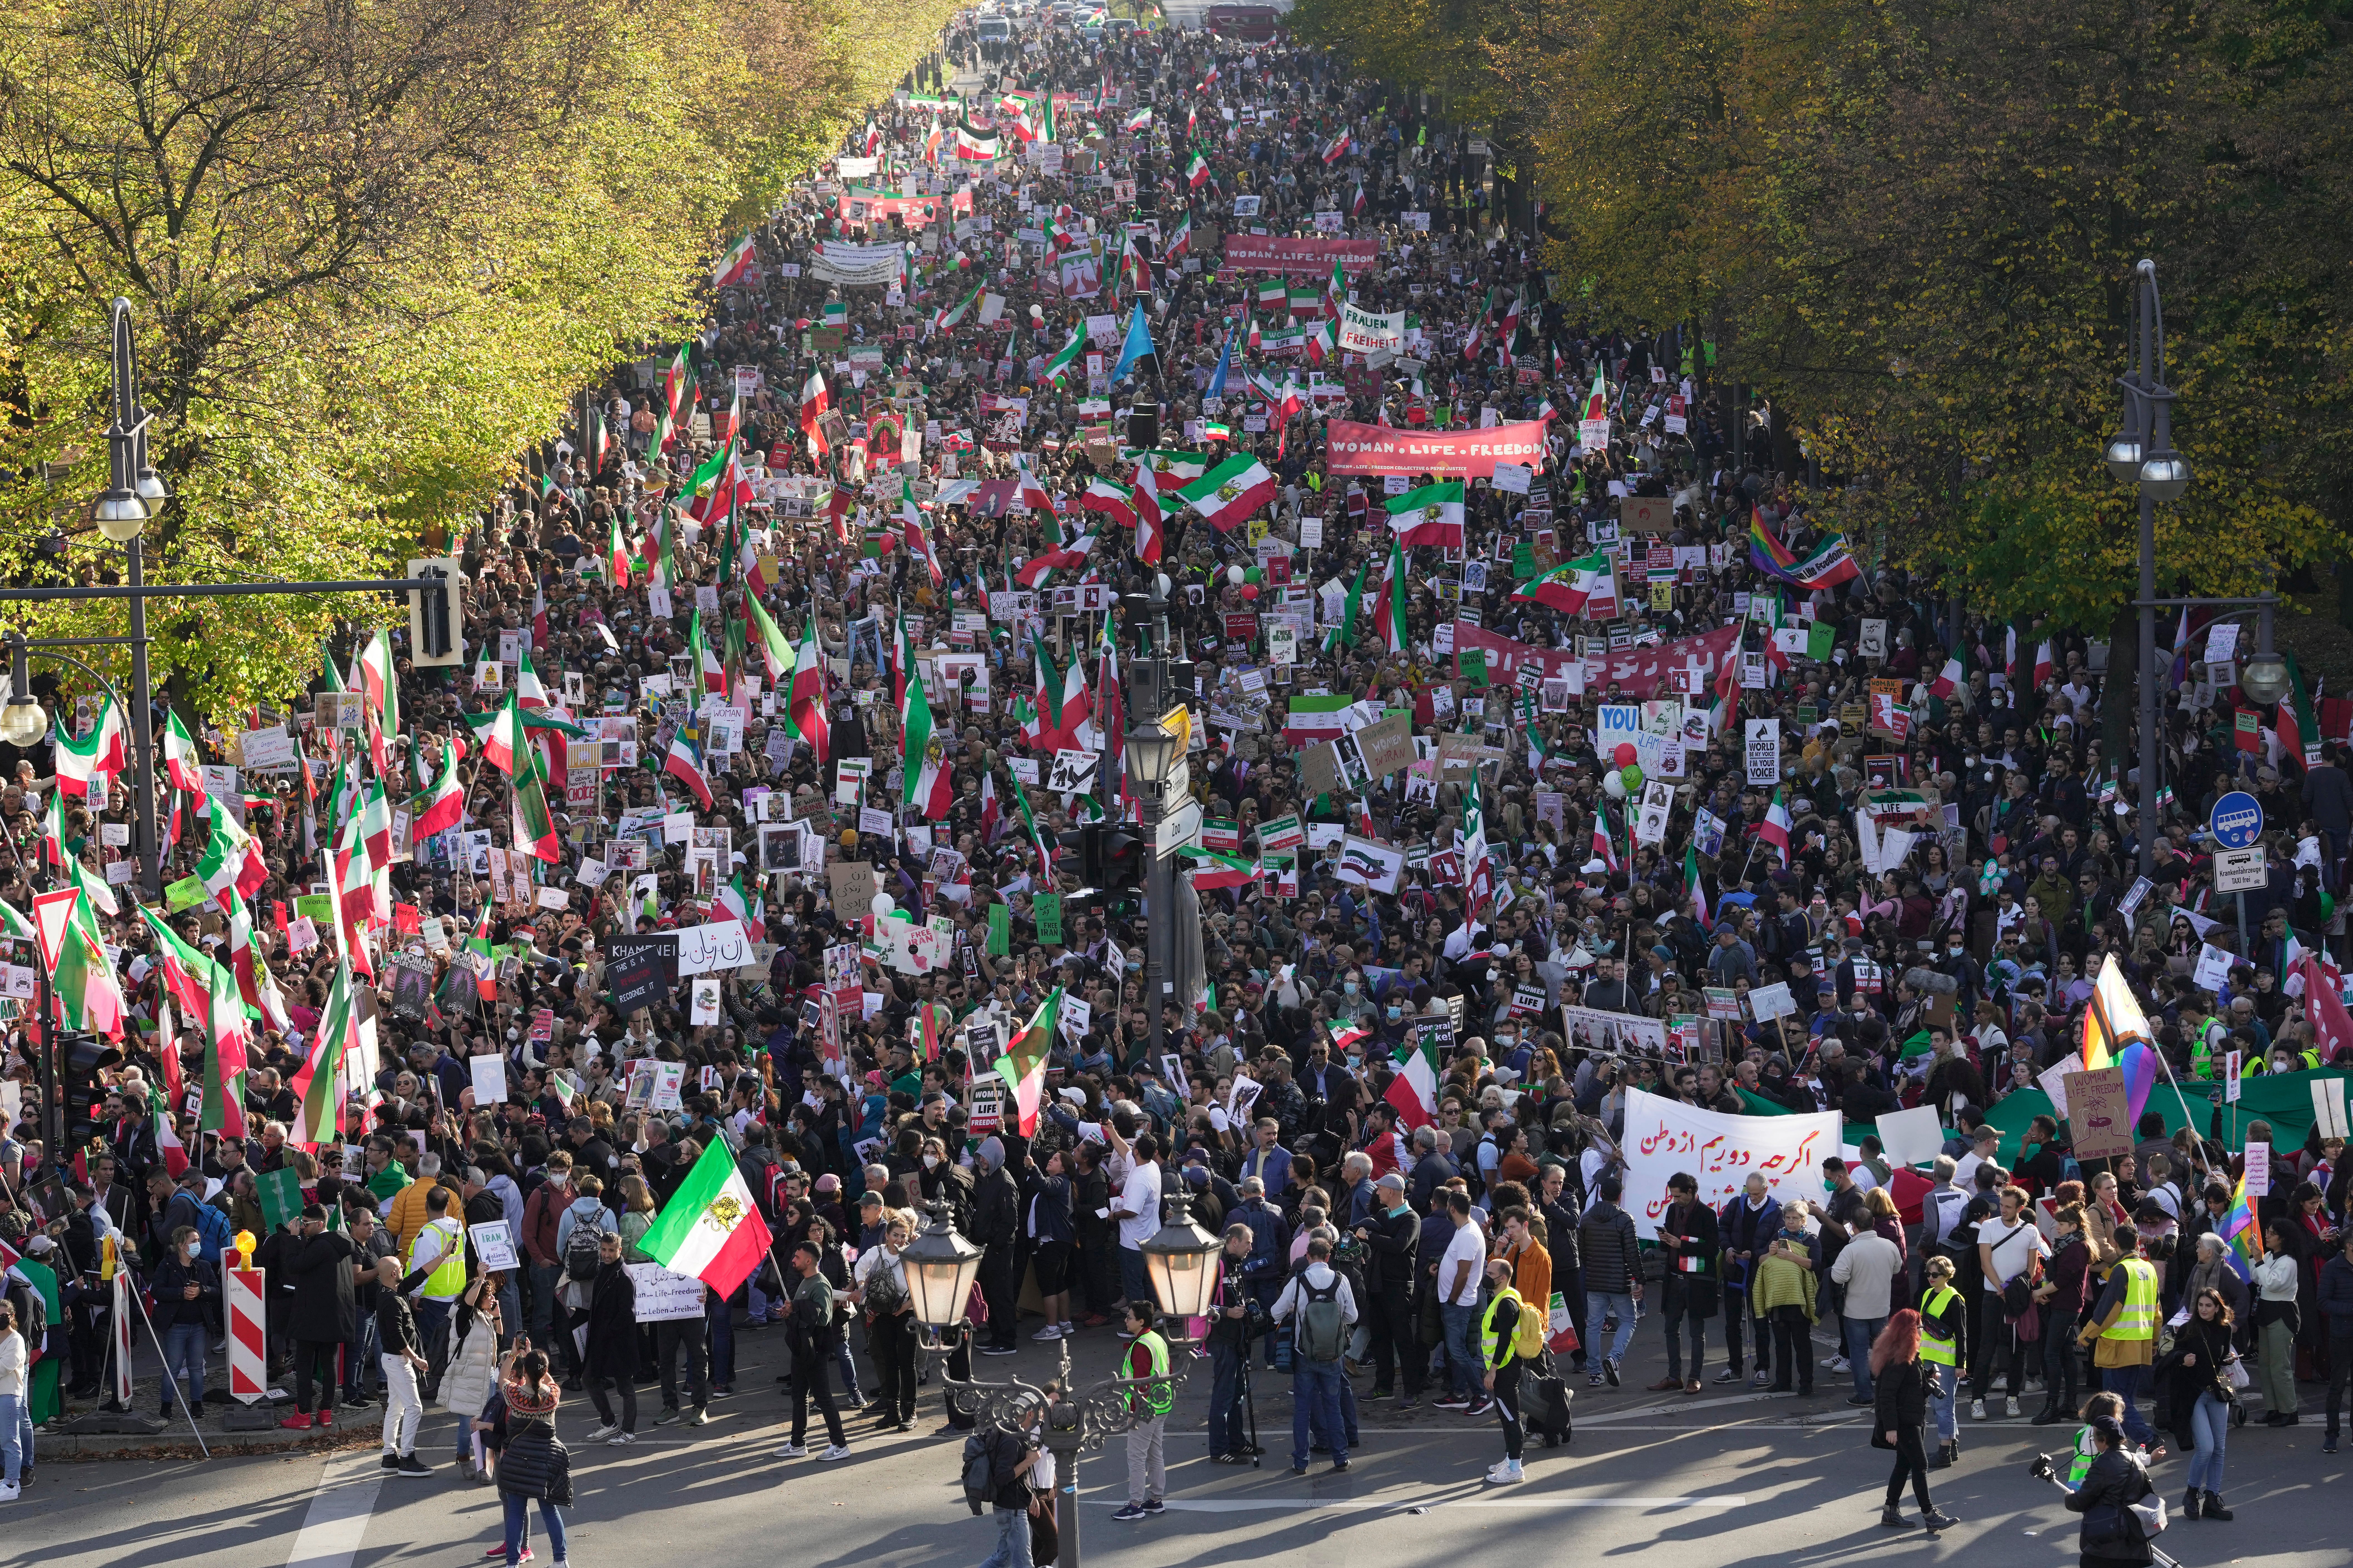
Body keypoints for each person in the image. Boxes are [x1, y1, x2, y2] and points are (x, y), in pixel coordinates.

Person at [1270, 1233, 1356, 1476]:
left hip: (1304, 1354)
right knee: (1333, 1406)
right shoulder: (1341, 1281)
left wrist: (1293, 1311)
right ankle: (1340, 1457)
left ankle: (1301, 1462)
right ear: (1329, 1257)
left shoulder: (1298, 1282)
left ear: (1308, 1256)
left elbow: (1276, 1312)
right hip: (1333, 1356)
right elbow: (1353, 1317)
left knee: (1303, 1408)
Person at [2076, 1224, 2162, 1451]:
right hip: (2140, 1344)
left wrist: (2086, 1336)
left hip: (2118, 1344)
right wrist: (2154, 1342)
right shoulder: (2148, 1269)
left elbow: (2107, 1310)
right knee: (2126, 1401)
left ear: (2115, 1243)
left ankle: (2148, 1439)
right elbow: (2157, 1311)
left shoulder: (2122, 1270)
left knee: (2115, 1402)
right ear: (2137, 1243)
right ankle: (2121, 1443)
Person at [1871, 1309, 1956, 1532]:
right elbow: (1886, 1395)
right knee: (1921, 1465)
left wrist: (1927, 1377)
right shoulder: (1899, 1360)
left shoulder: (1908, 1354)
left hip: (1912, 1418)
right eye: (1919, 1327)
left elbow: (1908, 1388)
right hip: (1904, 1422)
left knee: (1904, 1464)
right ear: (1910, 1331)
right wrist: (1890, 1427)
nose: (1922, 1331)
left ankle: (1890, 1511)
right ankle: (1930, 1515)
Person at [2157, 1285, 2237, 1521]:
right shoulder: (2187, 1330)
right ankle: (2192, 1493)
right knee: (2207, 1448)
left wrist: (2229, 1359)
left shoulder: (2225, 1330)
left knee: (2220, 1449)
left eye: (2208, 1305)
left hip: (2217, 1394)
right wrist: (2184, 1359)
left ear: (2217, 1308)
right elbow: (2172, 1356)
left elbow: (2219, 1358)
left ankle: (2212, 1498)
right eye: (2200, 1305)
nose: (2204, 1309)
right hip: (2194, 1395)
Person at [493, 1348, 571, 1568]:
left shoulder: (515, 1395)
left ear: (524, 1372)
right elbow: (550, 1381)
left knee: (516, 1512)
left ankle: (512, 1563)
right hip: (545, 1462)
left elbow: (502, 1378)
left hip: (518, 1461)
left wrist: (514, 1354)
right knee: (550, 1511)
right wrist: (534, 1361)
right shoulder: (553, 1395)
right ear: (545, 1370)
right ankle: (560, 1560)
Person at [776, 1239, 851, 1462]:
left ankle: (840, 1444)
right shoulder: (806, 1281)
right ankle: (798, 1443)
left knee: (824, 1397)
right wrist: (790, 1312)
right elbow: (804, 1314)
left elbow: (824, 1316)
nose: (793, 1260)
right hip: (802, 1348)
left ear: (809, 1260)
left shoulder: (820, 1284)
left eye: (797, 1257)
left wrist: (796, 1308)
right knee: (800, 1396)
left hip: (816, 1350)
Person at [1650, 1171, 1717, 1395]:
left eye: (1678, 1196)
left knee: (1697, 1332)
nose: (1675, 1200)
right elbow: (1672, 1241)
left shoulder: (1708, 1214)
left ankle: (1694, 1378)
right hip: (1674, 1277)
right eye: (1673, 1196)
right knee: (1671, 1329)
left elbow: (1712, 1249)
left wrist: (1682, 1245)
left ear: (1691, 1192)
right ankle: (1673, 1376)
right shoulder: (1672, 1209)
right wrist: (1666, 1239)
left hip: (1697, 1281)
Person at [2059, 1414, 2157, 1568]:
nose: (2094, 1442)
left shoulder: (2103, 1464)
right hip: (2135, 1541)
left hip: (2108, 1540)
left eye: (2094, 1438)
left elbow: (2080, 1502)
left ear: (2104, 1440)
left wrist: (2070, 1497)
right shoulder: (2136, 1461)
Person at [1833, 1202, 1904, 1407]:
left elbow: (1838, 1276)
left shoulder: (1851, 1250)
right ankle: (1889, 1391)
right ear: (1873, 1223)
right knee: (1884, 1352)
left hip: (1856, 1312)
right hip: (1881, 1308)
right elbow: (1897, 1268)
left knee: (1858, 1354)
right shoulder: (1889, 1246)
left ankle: (1865, 1395)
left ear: (1853, 1226)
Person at [853, 1211, 919, 1433]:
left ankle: (910, 1412)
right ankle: (893, 1411)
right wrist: (863, 1287)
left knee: (907, 1362)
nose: (900, 1240)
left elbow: (923, 1287)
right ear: (887, 1236)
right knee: (889, 1360)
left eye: (904, 1235)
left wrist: (904, 1307)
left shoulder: (912, 1256)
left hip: (907, 1314)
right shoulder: (876, 1253)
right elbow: (860, 1268)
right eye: (896, 1235)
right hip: (882, 1313)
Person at [1110, 1301, 1173, 1520]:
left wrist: (1133, 1411)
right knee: (1156, 1454)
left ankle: (1135, 1504)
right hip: (1161, 1405)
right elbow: (1169, 1370)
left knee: (1136, 1458)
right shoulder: (1157, 1340)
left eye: (1129, 1317)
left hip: (1144, 1410)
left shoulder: (1141, 1346)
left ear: (1141, 1321)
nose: (1126, 1320)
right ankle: (1156, 1500)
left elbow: (1141, 1382)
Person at [148, 1223, 217, 1420]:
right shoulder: (167, 1265)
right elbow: (157, 1291)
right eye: (194, 1241)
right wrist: (181, 1293)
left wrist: (201, 1291)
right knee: (173, 1366)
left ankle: (197, 1404)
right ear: (181, 1245)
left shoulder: (203, 1265)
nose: (198, 1244)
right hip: (176, 1326)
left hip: (198, 1326)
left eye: (198, 1241)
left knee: (196, 1367)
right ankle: (166, 1405)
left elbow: (216, 1290)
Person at [1579, 1174, 1642, 1388]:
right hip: (1619, 1282)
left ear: (1600, 1194)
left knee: (1594, 1326)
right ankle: (1614, 1357)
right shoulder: (1625, 1219)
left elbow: (1583, 1252)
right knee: (1629, 1320)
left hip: (1595, 1280)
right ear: (1620, 1196)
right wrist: (1640, 1279)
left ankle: (1594, 1372)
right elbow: (1633, 1253)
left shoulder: (1587, 1218)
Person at [373, 1255, 433, 1476]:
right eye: (400, 1267)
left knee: (396, 1407)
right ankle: (407, 1457)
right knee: (414, 1408)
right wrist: (416, 1358)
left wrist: (445, 1254)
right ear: (393, 1273)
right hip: (399, 1361)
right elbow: (397, 1337)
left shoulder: (395, 1290)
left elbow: (421, 1274)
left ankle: (389, 1456)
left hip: (393, 1360)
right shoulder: (391, 1300)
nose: (404, 1268)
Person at [1755, 1200, 1820, 1395]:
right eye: (1788, 1218)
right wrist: (1771, 1253)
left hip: (1799, 1298)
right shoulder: (1778, 1236)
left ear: (1804, 1220)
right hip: (1778, 1297)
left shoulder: (1811, 1240)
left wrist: (1793, 1257)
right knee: (1781, 1343)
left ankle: (1806, 1383)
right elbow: (1760, 1261)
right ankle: (1783, 1381)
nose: (1791, 1222)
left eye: (1795, 1218)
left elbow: (1816, 1265)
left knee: (1802, 1343)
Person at [579, 1230, 638, 1445]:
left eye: (611, 1251)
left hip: (618, 1343)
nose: (606, 1254)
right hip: (601, 1339)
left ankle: (629, 1431)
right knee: (589, 1378)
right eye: (604, 1249)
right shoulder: (604, 1269)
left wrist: (608, 1331)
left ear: (620, 1250)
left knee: (625, 1388)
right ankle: (609, 1422)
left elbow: (628, 1314)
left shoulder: (624, 1276)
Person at [441, 1277, 504, 1478]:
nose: (493, 1298)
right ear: (477, 1297)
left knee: (487, 1422)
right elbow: (468, 1303)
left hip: (488, 1379)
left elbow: (498, 1341)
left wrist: (497, 1317)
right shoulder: (464, 1316)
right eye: (488, 1295)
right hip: (466, 1379)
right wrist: (481, 1277)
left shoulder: (486, 1316)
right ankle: (463, 1456)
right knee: (467, 1425)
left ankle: (486, 1466)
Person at [1207, 1223, 1257, 1464]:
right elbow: (1196, 1304)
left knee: (1238, 1392)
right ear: (1234, 1241)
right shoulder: (1217, 1264)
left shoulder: (1235, 1263)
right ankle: (1219, 1450)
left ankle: (1236, 1442)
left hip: (1236, 1339)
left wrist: (1249, 1304)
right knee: (1224, 1395)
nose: (1251, 1247)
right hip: (1222, 1339)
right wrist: (1228, 1312)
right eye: (1248, 1242)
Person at [1477, 1253, 1528, 1485]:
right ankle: (1510, 1459)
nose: (1487, 1277)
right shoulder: (1502, 1298)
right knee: (1505, 1415)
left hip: (1505, 1368)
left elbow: (1506, 1339)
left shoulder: (1506, 1303)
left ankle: (1516, 1468)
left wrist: (1493, 1371)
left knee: (1511, 1417)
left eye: (1491, 1274)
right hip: (1504, 1366)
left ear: (1504, 1278)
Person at [974, 1400, 1040, 1568]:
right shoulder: (1012, 1439)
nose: (1042, 1418)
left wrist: (1031, 1496)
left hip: (1010, 1507)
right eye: (1041, 1413)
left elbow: (1019, 1476)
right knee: (1024, 1564)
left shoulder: (1015, 1431)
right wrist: (1029, 1461)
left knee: (1003, 1557)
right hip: (1012, 1511)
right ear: (1030, 1414)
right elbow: (1002, 1477)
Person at [1917, 1255, 1967, 1467]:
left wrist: (1960, 1365)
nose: (1931, 1277)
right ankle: (1951, 1447)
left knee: (1943, 1406)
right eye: (1928, 1273)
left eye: (1935, 1274)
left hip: (1946, 1362)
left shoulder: (1955, 1298)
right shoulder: (1928, 1293)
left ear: (1947, 1274)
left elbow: (1963, 1334)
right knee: (1943, 1405)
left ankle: (1944, 1451)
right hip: (1928, 1358)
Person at [2251, 1237, 2302, 1425]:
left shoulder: (2289, 1261)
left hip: (2282, 1314)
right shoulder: (2269, 1256)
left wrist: (2259, 1261)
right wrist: (2253, 1255)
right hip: (2266, 1313)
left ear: (2283, 1238)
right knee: (2265, 1365)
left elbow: (2272, 1283)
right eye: (2267, 1232)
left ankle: (2290, 1411)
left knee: (2280, 1366)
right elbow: (2257, 1277)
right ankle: (2272, 1408)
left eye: (2272, 1233)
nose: (2267, 1236)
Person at [2320, 1230, 2353, 1453]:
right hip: (2342, 1335)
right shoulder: (2332, 1267)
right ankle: (2332, 1434)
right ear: (2350, 1245)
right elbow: (2323, 1302)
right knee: (2337, 1386)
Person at [0, 1300, 26, 1502]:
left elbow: (5, 1366)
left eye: (4, 1315)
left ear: (12, 1317)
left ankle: (11, 1482)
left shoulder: (16, 1340)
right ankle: (9, 1480)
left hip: (9, 1394)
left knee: (10, 1439)